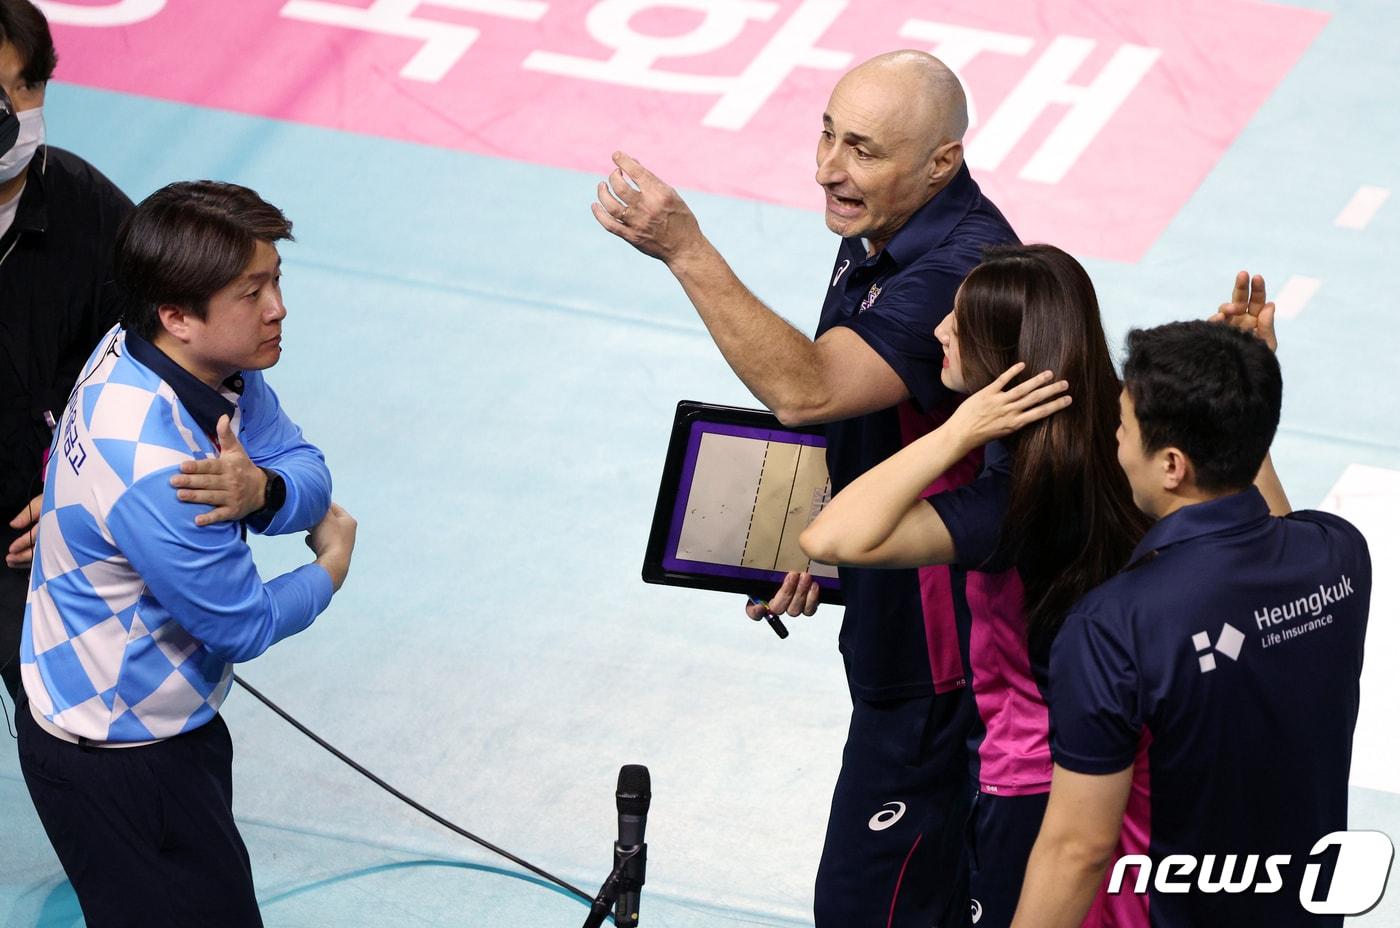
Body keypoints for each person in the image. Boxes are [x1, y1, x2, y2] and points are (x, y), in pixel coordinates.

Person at [595, 50, 1018, 925]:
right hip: (892, 623)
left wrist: (686, 249)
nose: (829, 168)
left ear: (942, 162)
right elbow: (877, 423)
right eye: (827, 133)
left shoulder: (959, 271)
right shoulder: (884, 231)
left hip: (943, 672)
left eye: (863, 150)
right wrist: (819, 538)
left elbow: (811, 389)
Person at [17, 180, 358, 928]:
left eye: (276, 279)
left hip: (143, 723)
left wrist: (264, 492)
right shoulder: (163, 475)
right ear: (177, 314)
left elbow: (302, 464)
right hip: (122, 758)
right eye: (252, 291)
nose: (278, 308)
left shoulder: (166, 354)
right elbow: (245, 625)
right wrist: (330, 562)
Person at [799, 244, 1151, 928]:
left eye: (956, 326)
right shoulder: (1116, 439)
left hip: (1029, 779)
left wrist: (957, 429)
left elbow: (832, 538)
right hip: (1123, 762)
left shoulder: (1009, 504)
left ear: (1005, 360)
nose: (937, 334)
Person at [1011, 293, 1371, 927]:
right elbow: (1265, 518)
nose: (1116, 443)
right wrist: (1238, 393)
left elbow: (1078, 848)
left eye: (1122, 428)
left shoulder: (1112, 628)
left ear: (1172, 466)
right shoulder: (1339, 555)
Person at [0, 0, 134, 703]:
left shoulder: (91, 211)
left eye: (25, 86)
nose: (10, 112)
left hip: (44, 543)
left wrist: (74, 497)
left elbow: (161, 373)